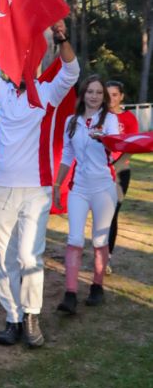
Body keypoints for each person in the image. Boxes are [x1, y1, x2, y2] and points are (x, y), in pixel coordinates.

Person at [0, 20, 79, 347]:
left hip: (35, 189)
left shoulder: (47, 92)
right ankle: (12, 318)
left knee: (29, 256)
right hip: (0, 188)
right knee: (4, 258)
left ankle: (32, 315)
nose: (20, 67)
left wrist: (61, 36)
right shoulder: (0, 91)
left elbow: (71, 71)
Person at [54, 76, 120, 313]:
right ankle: (70, 293)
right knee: (74, 239)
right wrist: (57, 184)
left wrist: (103, 138)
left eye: (99, 93)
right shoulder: (71, 121)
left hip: (104, 188)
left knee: (100, 240)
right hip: (79, 189)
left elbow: (116, 147)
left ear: (104, 97)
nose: (94, 96)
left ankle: (97, 286)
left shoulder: (110, 120)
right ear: (82, 95)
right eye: (90, 92)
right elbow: (66, 155)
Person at [105, 80, 138, 260]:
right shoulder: (98, 115)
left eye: (115, 94)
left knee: (112, 213)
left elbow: (131, 148)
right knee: (100, 214)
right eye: (108, 94)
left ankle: (106, 257)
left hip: (120, 172)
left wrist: (115, 168)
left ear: (121, 97)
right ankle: (98, 251)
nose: (111, 98)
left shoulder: (129, 118)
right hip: (99, 171)